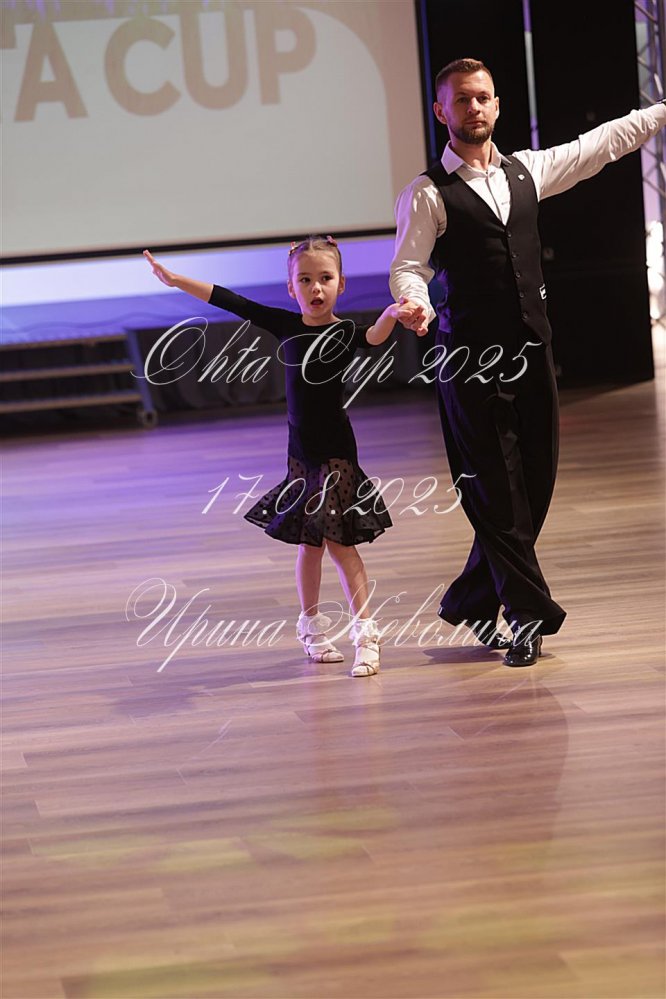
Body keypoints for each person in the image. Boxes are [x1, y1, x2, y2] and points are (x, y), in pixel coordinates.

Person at [391, 58, 666, 667]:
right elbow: (409, 265)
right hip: (468, 358)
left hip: (531, 351)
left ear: (497, 104)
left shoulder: (527, 171)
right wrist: (414, 302)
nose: (474, 108)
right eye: (461, 100)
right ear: (441, 111)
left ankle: (471, 598)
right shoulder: (427, 192)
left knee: (535, 482)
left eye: (482, 97)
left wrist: (659, 114)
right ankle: (526, 617)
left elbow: (599, 145)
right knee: (496, 490)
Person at [144, 238, 419, 677]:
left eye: (325, 278)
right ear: (291, 288)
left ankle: (367, 635)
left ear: (341, 284)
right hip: (300, 456)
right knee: (309, 544)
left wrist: (391, 313)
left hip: (337, 455)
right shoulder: (285, 325)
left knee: (340, 544)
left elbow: (373, 336)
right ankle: (311, 629)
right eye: (305, 280)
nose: (316, 288)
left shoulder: (344, 332)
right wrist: (176, 280)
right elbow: (229, 300)